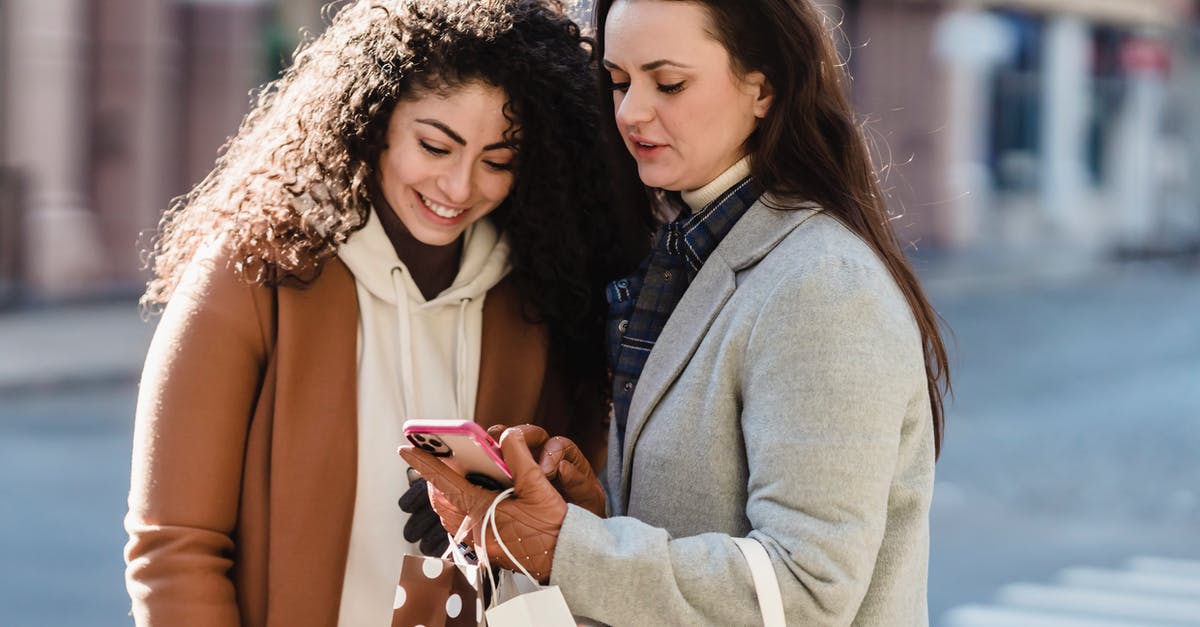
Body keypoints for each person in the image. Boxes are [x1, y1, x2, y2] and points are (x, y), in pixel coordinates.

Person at [402, 0, 953, 624]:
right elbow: (694, 531)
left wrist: (565, 546)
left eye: (668, 83)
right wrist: (582, 510)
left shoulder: (823, 284)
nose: (632, 111)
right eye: (618, 81)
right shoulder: (691, 247)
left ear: (762, 89)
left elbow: (807, 589)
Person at [123, 0, 636, 624]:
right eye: (434, 146)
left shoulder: (548, 297)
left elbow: (577, 523)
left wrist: (509, 493)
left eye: (498, 161)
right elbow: (174, 549)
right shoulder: (254, 271)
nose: (459, 187)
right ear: (374, 118)